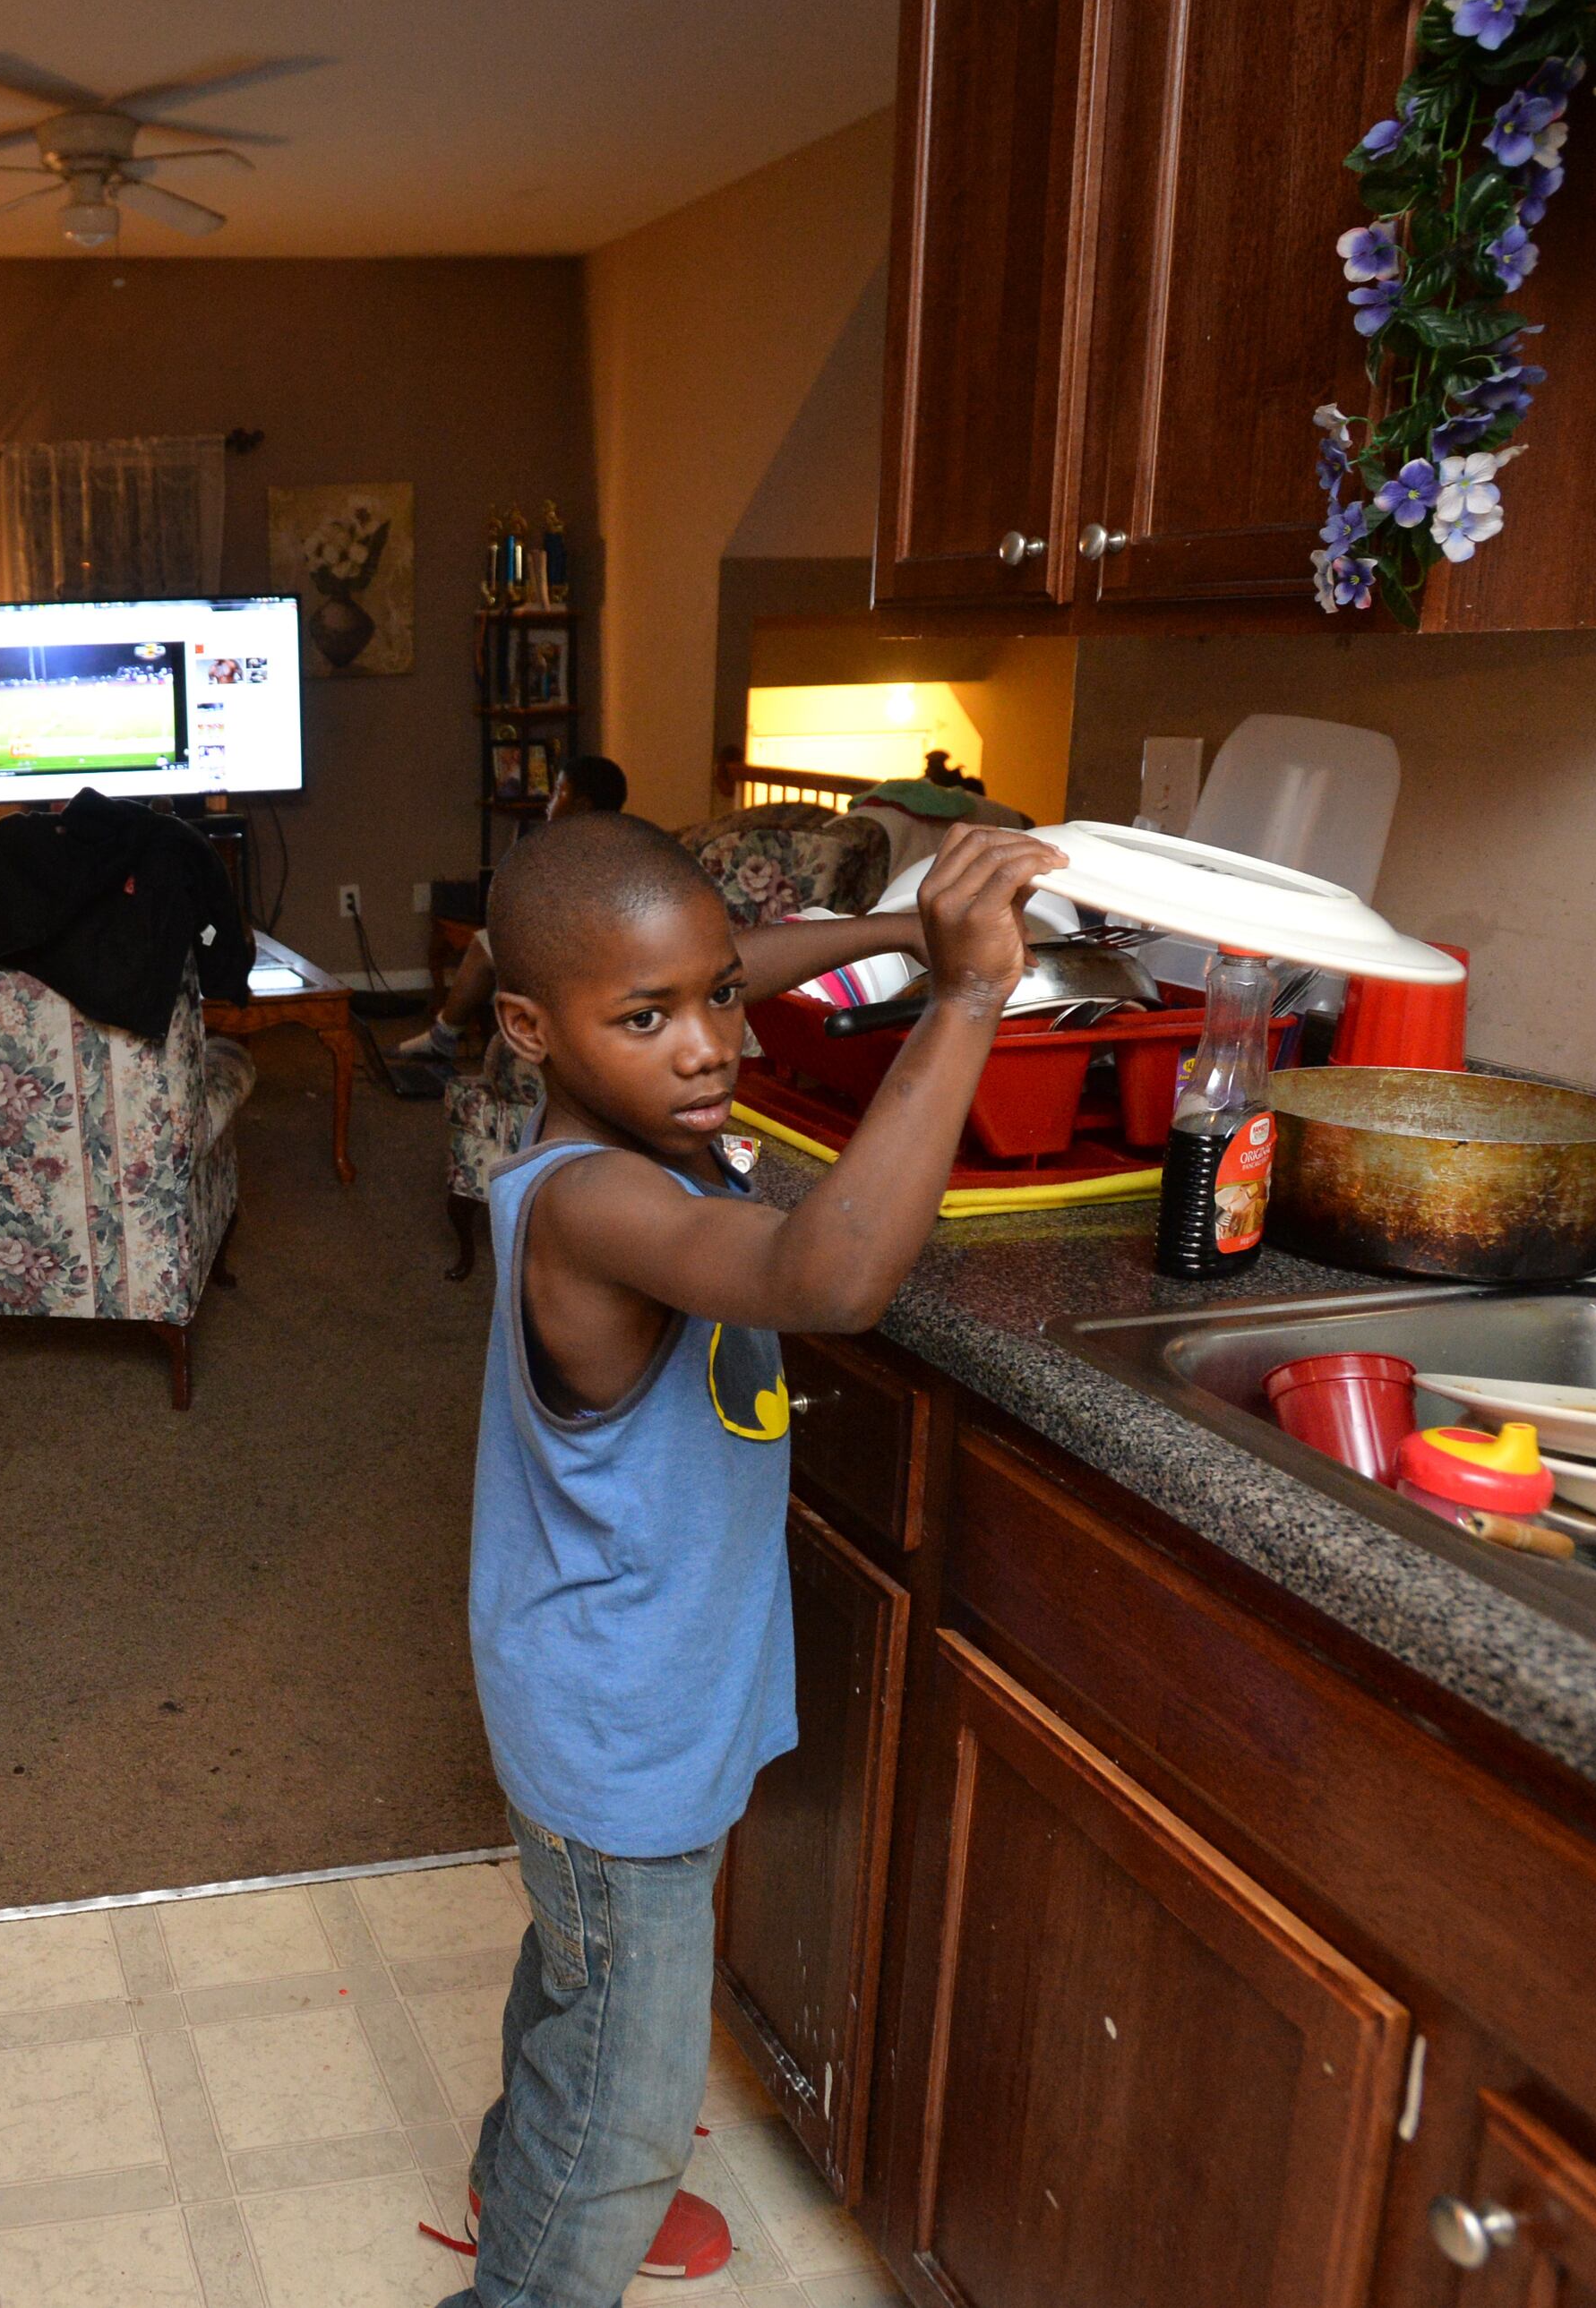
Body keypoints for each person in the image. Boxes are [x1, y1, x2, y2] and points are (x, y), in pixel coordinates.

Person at [440, 812, 1061, 2306]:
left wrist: (893, 932)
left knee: (582, 1964)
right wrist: (966, 997)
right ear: (532, 1027)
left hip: (626, 1694)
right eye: (648, 1017)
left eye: (720, 994)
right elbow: (824, 1275)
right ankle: (536, 2263)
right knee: (634, 2082)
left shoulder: (631, 1110)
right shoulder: (594, 1203)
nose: (711, 1040)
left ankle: (520, 2156)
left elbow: (710, 964)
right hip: (619, 1724)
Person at [390, 753, 630, 1063]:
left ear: (582, 806)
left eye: (559, 792)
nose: (550, 799)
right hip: (577, 950)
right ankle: (447, 1036)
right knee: (490, 940)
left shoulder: (587, 854)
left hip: (585, 960)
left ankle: (443, 1038)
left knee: (487, 943)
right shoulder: (608, 842)